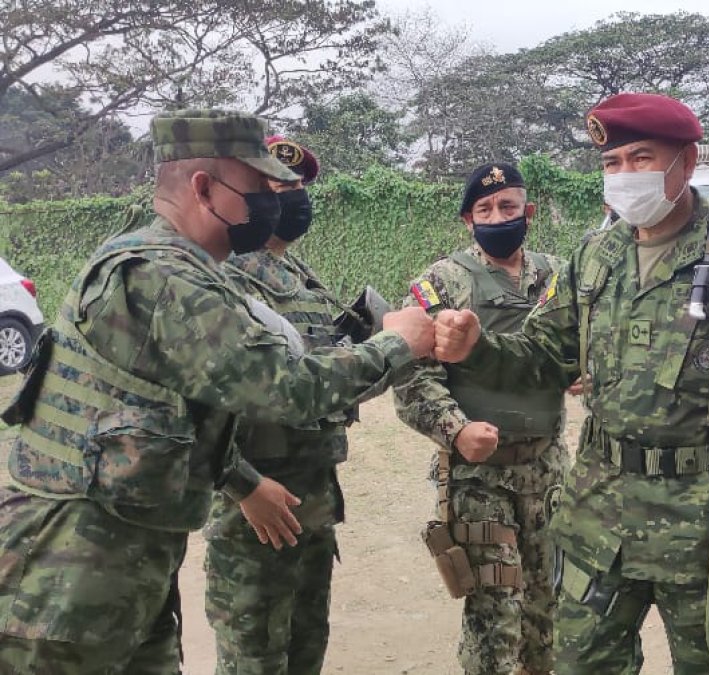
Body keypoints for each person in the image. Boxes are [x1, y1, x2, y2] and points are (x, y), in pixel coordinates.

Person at [432, 92, 709, 674]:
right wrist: (478, 348)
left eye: (641, 158)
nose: (624, 175)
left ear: (686, 162)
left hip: (706, 517)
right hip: (599, 511)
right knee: (578, 664)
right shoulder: (596, 255)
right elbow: (545, 355)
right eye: (612, 163)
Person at [0, 109, 434, 673]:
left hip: (125, 550)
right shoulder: (160, 275)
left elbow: (189, 417)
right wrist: (398, 343)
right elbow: (285, 389)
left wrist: (243, 479)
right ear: (204, 189)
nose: (270, 205)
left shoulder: (188, 268)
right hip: (69, 566)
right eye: (257, 189)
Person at [393, 162, 569, 675]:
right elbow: (411, 376)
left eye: (507, 206)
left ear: (528, 212)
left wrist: (583, 370)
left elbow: (584, 346)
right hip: (477, 479)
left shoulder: (560, 278)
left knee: (550, 610)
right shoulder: (441, 283)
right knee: (495, 617)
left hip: (548, 470)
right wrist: (456, 429)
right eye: (484, 210)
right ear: (468, 220)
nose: (497, 217)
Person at [204, 136, 355, 674]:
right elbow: (199, 403)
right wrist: (242, 486)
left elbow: (325, 379)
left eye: (297, 186)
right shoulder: (221, 276)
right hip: (255, 510)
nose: (292, 197)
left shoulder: (304, 281)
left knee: (305, 648)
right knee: (254, 657)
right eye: (276, 185)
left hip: (313, 502)